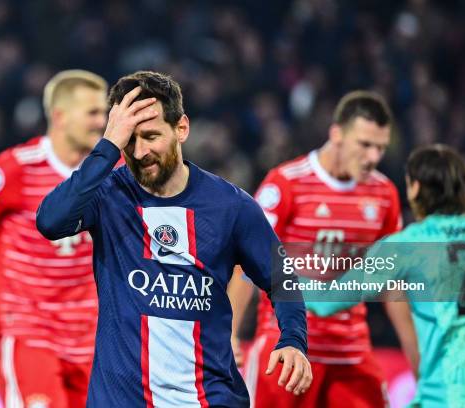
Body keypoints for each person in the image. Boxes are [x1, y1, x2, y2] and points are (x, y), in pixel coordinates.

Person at [36, 70, 312, 407]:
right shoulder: (108, 196)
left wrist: (293, 340)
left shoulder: (231, 206)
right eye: (129, 140)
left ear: (182, 128)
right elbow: (50, 221)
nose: (139, 152)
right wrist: (107, 146)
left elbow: (281, 276)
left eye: (151, 136)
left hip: (210, 398)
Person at [232, 90, 419, 407]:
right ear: (337, 134)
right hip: (286, 352)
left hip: (351, 353)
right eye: (365, 144)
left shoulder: (384, 194)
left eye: (380, 147)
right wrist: (230, 333)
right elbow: (246, 263)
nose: (373, 156)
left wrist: (417, 362)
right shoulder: (286, 183)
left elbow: (391, 283)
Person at [307, 144, 465, 407]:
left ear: (415, 188)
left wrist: (276, 275)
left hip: (446, 399)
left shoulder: (408, 245)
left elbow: (326, 300)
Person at [0, 70, 108, 407]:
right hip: (30, 331)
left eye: (104, 112)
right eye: (92, 112)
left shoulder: (112, 175)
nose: (101, 122)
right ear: (59, 116)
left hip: (93, 338)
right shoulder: (16, 167)